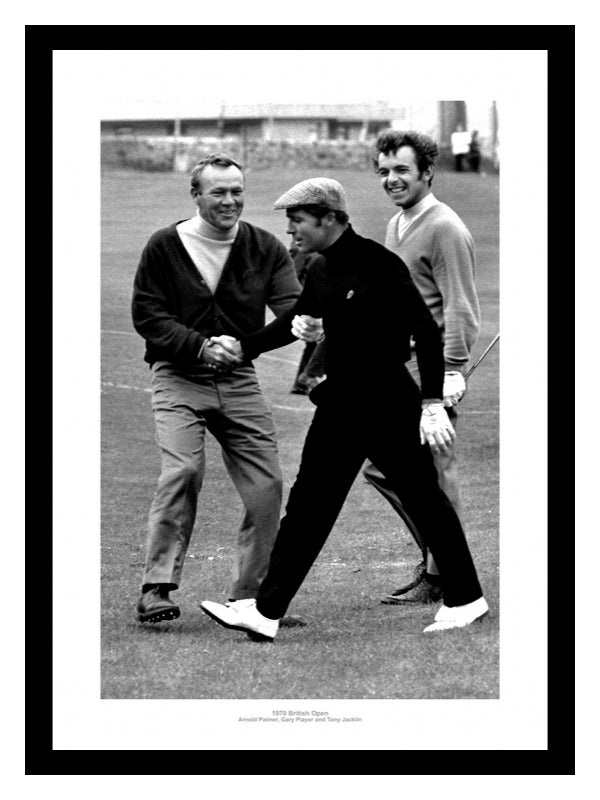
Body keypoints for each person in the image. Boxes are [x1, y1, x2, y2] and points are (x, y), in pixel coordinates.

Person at [199, 177, 489, 640]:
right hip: (342, 403)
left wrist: (432, 401)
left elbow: (427, 332)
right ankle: (267, 611)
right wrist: (243, 348)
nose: (291, 231)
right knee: (309, 504)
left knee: (424, 499)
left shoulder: (381, 265)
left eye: (298, 221)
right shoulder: (321, 268)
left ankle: (466, 599)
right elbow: (298, 320)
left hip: (388, 402)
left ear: (329, 218)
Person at [131, 153, 302, 624]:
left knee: (267, 484)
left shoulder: (265, 247)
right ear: (196, 195)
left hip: (239, 379)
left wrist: (246, 345)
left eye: (237, 192)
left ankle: (251, 597)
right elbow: (148, 316)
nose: (230, 201)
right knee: (182, 471)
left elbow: (293, 311)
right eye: (218, 192)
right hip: (177, 375)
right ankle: (156, 587)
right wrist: (200, 347)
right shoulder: (165, 245)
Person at [366, 129, 481, 605]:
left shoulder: (445, 227)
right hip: (398, 366)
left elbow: (461, 307)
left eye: (401, 171)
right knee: (386, 468)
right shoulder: (399, 222)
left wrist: (452, 370)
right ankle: (440, 564)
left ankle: (448, 574)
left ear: (428, 172)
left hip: (430, 371)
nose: (392, 180)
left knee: (434, 470)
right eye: (385, 171)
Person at [289, 243, 326, 395]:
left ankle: (302, 381)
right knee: (318, 340)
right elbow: (292, 276)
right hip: (311, 302)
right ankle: (307, 376)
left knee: (314, 343)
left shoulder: (324, 250)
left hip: (323, 301)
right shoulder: (302, 250)